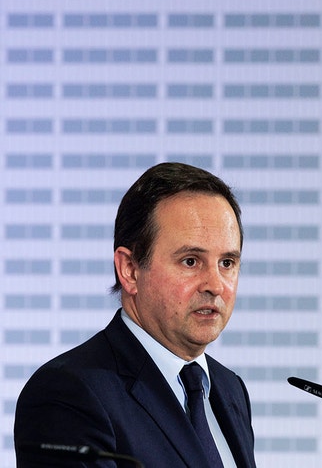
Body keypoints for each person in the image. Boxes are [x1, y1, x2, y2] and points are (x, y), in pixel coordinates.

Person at [14, 162, 257, 467]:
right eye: (191, 261)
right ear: (129, 270)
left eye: (227, 263)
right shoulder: (67, 394)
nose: (215, 285)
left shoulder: (229, 388)